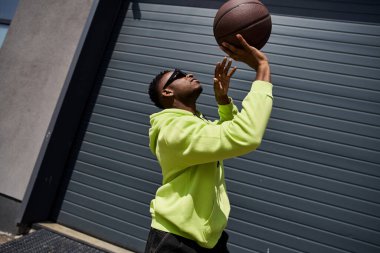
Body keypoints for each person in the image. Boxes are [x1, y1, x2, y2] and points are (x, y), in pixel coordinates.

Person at [145, 34, 273, 253]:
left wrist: (223, 101)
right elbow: (245, 136)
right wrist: (262, 69)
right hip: (176, 240)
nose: (189, 74)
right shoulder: (172, 131)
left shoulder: (194, 124)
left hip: (209, 239)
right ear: (167, 92)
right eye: (179, 75)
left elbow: (224, 134)